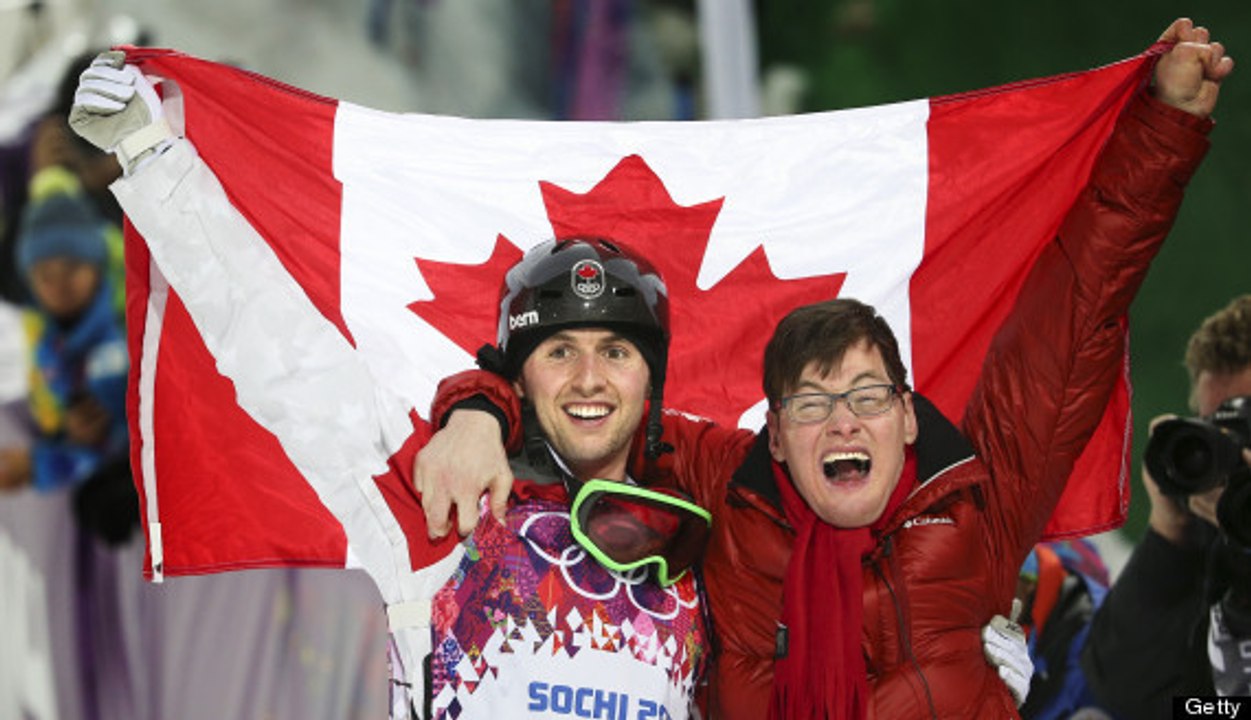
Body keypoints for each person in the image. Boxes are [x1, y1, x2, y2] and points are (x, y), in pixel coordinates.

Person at [413, 17, 1230, 719]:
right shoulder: (724, 494)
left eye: (867, 395)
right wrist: (476, 410)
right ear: (772, 436)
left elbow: (1075, 317)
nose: (842, 420)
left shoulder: (979, 505)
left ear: (908, 415)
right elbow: (579, 422)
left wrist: (1163, 128)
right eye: (809, 404)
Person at [1081, 294, 1251, 718]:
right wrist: (1169, 532)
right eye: (1220, 429)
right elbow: (1126, 693)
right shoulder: (1214, 539)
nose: (1237, 451)